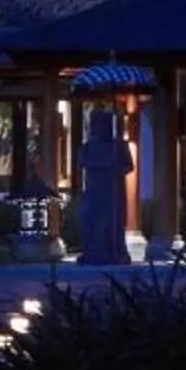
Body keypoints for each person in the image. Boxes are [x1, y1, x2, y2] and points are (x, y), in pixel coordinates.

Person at [77, 108, 134, 262]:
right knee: (92, 221)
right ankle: (93, 252)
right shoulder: (89, 146)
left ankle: (115, 252)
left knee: (113, 222)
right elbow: (81, 162)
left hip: (113, 191)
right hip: (94, 190)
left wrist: (116, 166)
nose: (101, 128)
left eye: (104, 124)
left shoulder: (119, 145)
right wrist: (100, 165)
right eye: (97, 124)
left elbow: (129, 166)